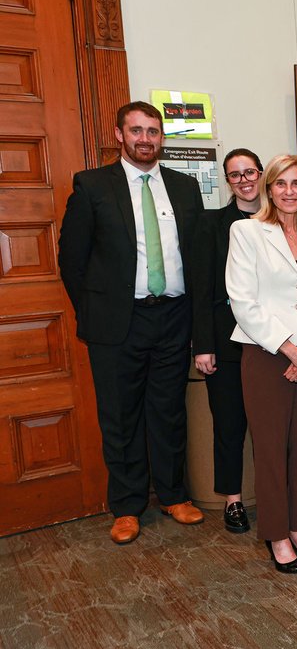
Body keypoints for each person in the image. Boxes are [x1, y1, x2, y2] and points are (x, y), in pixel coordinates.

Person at [58, 101, 205, 545]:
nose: (145, 139)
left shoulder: (184, 187)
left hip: (174, 316)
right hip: (118, 322)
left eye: (153, 131)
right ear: (120, 134)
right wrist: (94, 312)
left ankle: (174, 495)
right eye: (136, 131)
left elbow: (195, 256)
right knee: (120, 417)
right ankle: (126, 505)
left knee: (169, 411)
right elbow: (72, 260)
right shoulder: (91, 186)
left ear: (162, 138)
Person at [226, 154, 297, 574]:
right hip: (265, 354)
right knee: (272, 448)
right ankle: (276, 533)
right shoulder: (246, 231)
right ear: (268, 189)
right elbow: (242, 301)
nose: (289, 191)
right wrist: (288, 348)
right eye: (281, 184)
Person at [190, 147, 262, 534]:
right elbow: (201, 288)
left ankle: (276, 496)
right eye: (235, 175)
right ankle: (233, 501)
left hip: (275, 344)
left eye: (250, 172)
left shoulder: (280, 220)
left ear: (262, 174)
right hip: (226, 340)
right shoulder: (212, 224)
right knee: (230, 425)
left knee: (273, 429)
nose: (244, 180)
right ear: (228, 181)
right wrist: (203, 345)